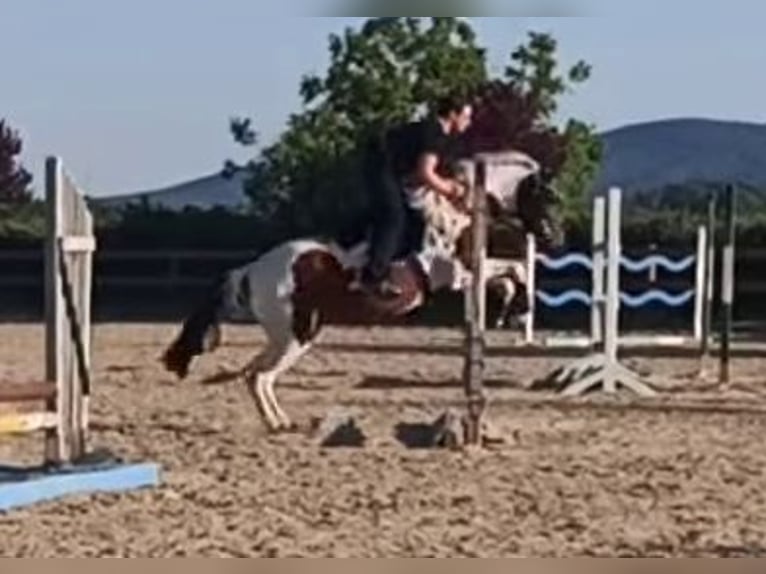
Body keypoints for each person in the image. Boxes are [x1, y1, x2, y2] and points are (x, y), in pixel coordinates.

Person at [356, 93, 474, 298]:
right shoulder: (435, 133)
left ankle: (389, 265)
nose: (468, 123)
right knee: (393, 217)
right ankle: (372, 278)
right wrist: (451, 191)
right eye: (466, 116)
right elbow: (425, 173)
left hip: (386, 166)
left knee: (413, 221)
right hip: (380, 166)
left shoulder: (435, 133)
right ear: (453, 115)